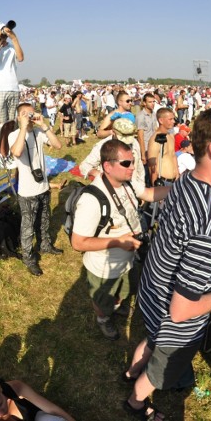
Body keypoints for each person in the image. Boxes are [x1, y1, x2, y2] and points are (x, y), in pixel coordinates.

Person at [125, 109, 211, 420]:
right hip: (176, 321)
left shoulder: (186, 181)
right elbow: (182, 311)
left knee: (152, 338)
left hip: (153, 293)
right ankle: (135, 403)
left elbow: (185, 235)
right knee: (160, 372)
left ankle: (129, 373)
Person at [71, 139, 169, 341]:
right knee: (103, 300)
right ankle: (103, 319)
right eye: (126, 163)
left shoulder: (127, 182)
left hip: (127, 260)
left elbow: (149, 194)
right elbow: (78, 243)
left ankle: (118, 305)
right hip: (103, 267)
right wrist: (118, 241)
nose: (133, 167)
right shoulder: (92, 199)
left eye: (132, 162)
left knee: (124, 291)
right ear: (107, 166)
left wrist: (179, 187)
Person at [8, 103, 63, 276]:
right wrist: (23, 128)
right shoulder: (14, 135)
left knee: (44, 220)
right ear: (18, 117)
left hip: (43, 187)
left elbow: (58, 145)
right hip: (27, 192)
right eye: (24, 114)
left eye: (31, 113)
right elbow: (16, 152)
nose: (29, 117)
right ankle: (29, 257)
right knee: (28, 227)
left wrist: (44, 125)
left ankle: (45, 245)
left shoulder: (39, 132)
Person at [0, 377, 75, 421]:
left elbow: (52, 409)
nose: (0, 413)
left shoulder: (14, 388)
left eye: (0, 404)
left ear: (0, 389)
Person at [0, 21, 24, 125]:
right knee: (1, 125)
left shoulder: (12, 47)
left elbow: (20, 58)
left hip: (13, 89)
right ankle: (1, 142)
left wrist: (14, 39)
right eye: (1, 30)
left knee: (13, 124)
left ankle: (13, 141)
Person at [146, 107, 178, 185]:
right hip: (162, 182)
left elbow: (173, 156)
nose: (173, 121)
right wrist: (155, 187)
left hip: (174, 181)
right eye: (170, 119)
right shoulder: (155, 139)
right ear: (161, 120)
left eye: (173, 119)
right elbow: (152, 166)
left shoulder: (171, 136)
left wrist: (177, 174)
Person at [135, 93, 159, 167]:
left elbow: (155, 129)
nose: (152, 104)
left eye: (153, 102)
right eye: (150, 102)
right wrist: (143, 155)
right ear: (144, 103)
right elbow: (140, 137)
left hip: (153, 146)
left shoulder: (153, 113)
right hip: (145, 148)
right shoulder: (141, 116)